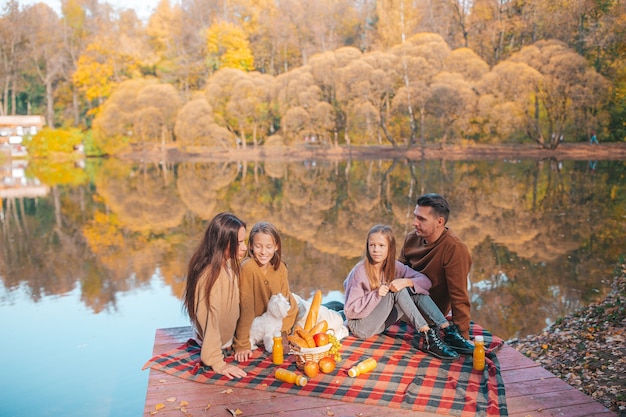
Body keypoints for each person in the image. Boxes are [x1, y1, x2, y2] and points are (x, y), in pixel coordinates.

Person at [343, 225, 460, 360]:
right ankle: (428, 336)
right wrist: (376, 294)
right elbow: (350, 311)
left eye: (381, 245)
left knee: (414, 289)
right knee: (396, 292)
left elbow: (425, 282)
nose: (376, 250)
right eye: (372, 245)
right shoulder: (360, 271)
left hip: (380, 324)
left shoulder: (394, 266)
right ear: (367, 247)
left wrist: (406, 282)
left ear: (390, 248)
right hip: (361, 327)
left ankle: (447, 329)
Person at [399, 193, 474, 355]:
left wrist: (462, 335)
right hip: (403, 303)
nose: (414, 223)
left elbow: (459, 296)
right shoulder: (411, 239)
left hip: (430, 313)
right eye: (415, 217)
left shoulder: (455, 249)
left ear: (439, 222)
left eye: (421, 219)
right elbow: (398, 273)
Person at [182, 212, 248, 379]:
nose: (245, 247)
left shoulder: (224, 264)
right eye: (239, 242)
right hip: (219, 344)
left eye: (244, 241)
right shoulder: (210, 276)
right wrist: (218, 363)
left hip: (228, 337)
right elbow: (209, 317)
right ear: (223, 242)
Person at [233, 222, 299, 362]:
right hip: (262, 322)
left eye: (269, 247)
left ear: (276, 246)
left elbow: (286, 300)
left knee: (330, 321)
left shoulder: (280, 267)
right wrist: (242, 344)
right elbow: (246, 308)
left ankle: (338, 311)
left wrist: (281, 333)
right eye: (258, 246)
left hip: (290, 311)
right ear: (250, 245)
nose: (263, 252)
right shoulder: (248, 267)